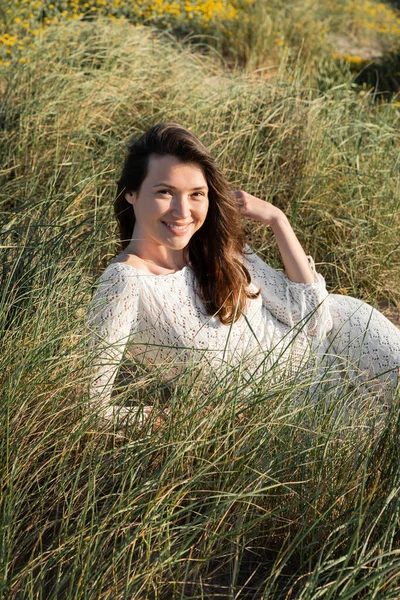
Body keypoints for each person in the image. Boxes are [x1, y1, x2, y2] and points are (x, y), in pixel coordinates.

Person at [86, 122, 400, 431]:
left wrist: (278, 219)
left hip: (348, 337)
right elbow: (93, 407)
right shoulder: (126, 282)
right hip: (293, 418)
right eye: (165, 192)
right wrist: (177, 417)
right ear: (131, 194)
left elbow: (313, 319)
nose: (183, 210)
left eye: (197, 194)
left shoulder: (218, 249)